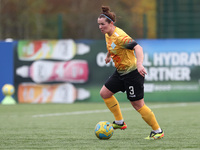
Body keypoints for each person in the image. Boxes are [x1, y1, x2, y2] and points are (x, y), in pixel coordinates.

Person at [97, 6, 164, 140]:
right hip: (120, 72)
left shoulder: (120, 37)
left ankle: (158, 131)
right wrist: (108, 55)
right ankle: (119, 122)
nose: (100, 27)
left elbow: (138, 47)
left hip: (133, 74)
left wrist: (139, 64)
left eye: (102, 24)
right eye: (98, 24)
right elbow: (112, 47)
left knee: (137, 105)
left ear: (111, 23)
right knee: (104, 93)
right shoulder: (107, 34)